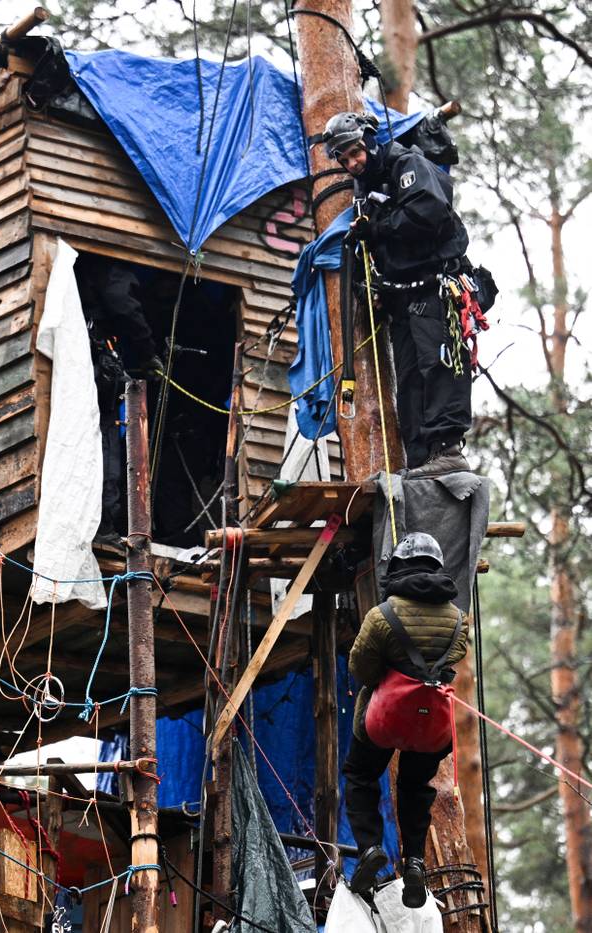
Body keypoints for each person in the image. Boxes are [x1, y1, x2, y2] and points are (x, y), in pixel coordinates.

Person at [322, 111, 475, 476]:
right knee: (408, 380)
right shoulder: (365, 191)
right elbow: (373, 243)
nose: (352, 163)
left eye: (354, 152)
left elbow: (430, 210)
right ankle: (422, 460)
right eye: (343, 159)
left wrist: (377, 228)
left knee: (437, 366)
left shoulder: (406, 164)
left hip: (434, 286)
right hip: (401, 299)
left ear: (370, 141)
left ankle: (448, 451)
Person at [342, 532, 468, 907]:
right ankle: (414, 859)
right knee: (416, 788)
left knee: (361, 776)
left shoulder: (383, 616)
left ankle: (369, 849)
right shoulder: (459, 620)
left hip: (385, 718)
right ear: (437, 567)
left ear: (396, 568)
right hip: (432, 724)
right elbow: (451, 662)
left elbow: (360, 669)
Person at [75, 254, 162, 547]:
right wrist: (147, 352)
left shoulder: (78, 270)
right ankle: (102, 524)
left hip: (81, 361)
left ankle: (92, 519)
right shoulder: (108, 267)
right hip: (98, 362)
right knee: (107, 438)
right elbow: (125, 307)